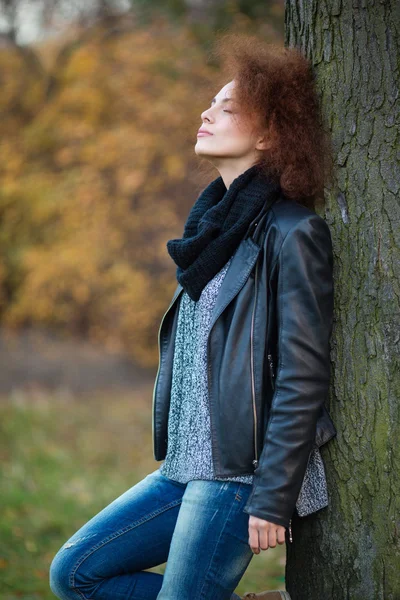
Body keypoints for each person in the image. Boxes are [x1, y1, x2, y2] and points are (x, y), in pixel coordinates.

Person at [49, 35, 336, 600]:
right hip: (184, 466)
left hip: (239, 475)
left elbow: (304, 375)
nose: (207, 112)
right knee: (75, 575)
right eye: (211, 102)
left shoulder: (293, 231)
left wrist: (273, 496)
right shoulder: (213, 231)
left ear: (268, 134)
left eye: (228, 108)